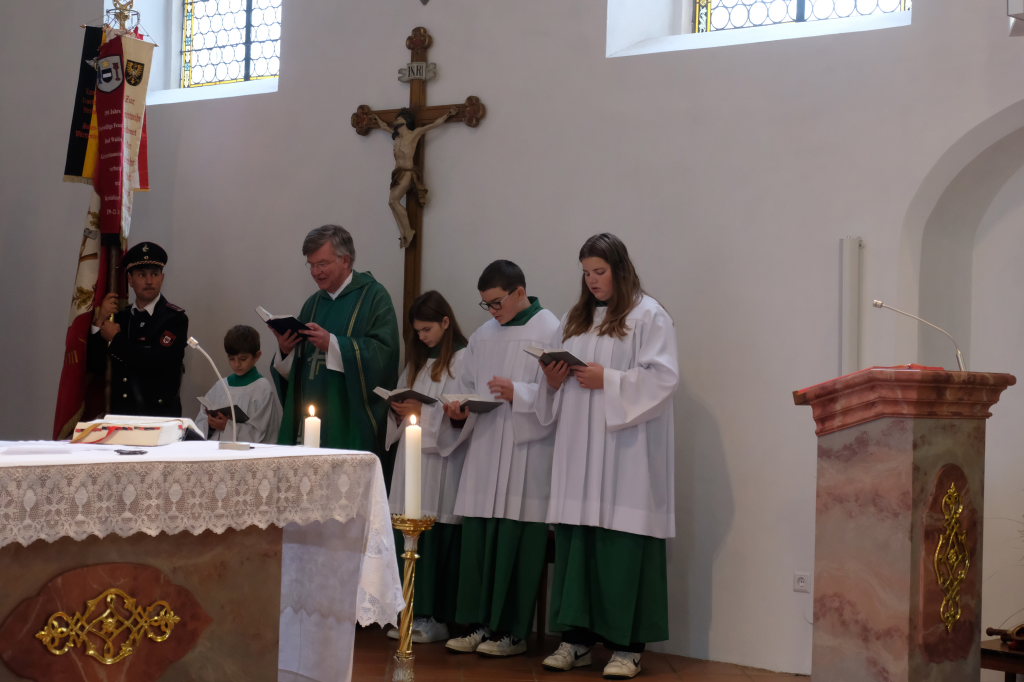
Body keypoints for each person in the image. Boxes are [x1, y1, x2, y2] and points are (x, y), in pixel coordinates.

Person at [536, 234, 678, 680]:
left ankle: (626, 648)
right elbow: (548, 389)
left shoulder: (648, 315)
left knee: (622, 549)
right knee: (578, 546)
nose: (592, 281)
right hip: (579, 449)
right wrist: (553, 380)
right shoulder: (573, 319)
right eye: (586, 273)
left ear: (619, 268)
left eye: (599, 271)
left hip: (625, 454)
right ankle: (575, 640)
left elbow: (663, 379)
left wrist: (609, 380)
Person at [439, 260, 560, 658]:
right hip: (486, 446)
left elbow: (561, 394)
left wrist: (518, 393)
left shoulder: (551, 330)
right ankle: (477, 624)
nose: (492, 311)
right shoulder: (482, 336)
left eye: (497, 302)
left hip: (527, 452)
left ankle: (511, 632)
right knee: (479, 538)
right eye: (486, 304)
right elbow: (466, 385)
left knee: (515, 540)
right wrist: (459, 409)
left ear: (519, 292)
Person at [271, 225, 400, 475]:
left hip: (348, 423)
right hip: (309, 418)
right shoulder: (313, 304)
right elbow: (298, 371)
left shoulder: (374, 297)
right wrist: (286, 351)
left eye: (322, 264)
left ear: (346, 260)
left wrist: (333, 344)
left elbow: (384, 354)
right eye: (311, 265)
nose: (315, 272)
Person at [385, 290, 469, 644]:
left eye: (427, 329)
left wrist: (424, 413)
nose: (422, 337)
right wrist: (397, 410)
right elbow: (402, 407)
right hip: (412, 458)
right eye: (417, 331)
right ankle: (409, 611)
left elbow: (462, 416)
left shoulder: (463, 359)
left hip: (442, 464)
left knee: (436, 536)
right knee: (408, 530)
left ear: (446, 322)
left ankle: (435, 617)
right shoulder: (417, 363)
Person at [88, 241, 188, 417]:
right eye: (142, 275)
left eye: (154, 274)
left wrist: (116, 339)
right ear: (130, 280)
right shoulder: (121, 318)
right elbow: (95, 366)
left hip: (159, 418)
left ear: (162, 278)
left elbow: (156, 363)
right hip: (121, 416)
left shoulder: (174, 319)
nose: (149, 281)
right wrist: (100, 321)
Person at [370, 107, 456, 248]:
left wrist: (448, 114)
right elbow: (384, 127)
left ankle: (409, 231)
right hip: (397, 174)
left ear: (405, 121)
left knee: (394, 200)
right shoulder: (396, 136)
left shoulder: (414, 134)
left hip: (408, 173)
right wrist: (377, 119)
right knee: (391, 203)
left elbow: (434, 124)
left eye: (398, 118)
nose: (395, 120)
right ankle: (403, 232)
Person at [194, 325, 282, 444]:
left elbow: (261, 431)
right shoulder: (221, 385)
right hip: (217, 449)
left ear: (257, 356)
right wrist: (210, 423)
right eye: (232, 359)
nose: (237, 364)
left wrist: (227, 427)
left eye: (243, 359)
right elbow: (201, 421)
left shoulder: (262, 388)